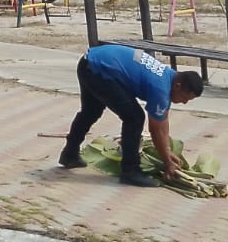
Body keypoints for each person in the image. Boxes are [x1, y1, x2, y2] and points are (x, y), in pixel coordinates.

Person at [58, 43, 204, 187]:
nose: (184, 102)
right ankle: (130, 171)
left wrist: (167, 151)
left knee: (91, 111)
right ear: (178, 86)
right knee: (134, 118)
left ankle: (69, 154)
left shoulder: (168, 77)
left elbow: (162, 119)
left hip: (89, 61)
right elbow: (155, 129)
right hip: (98, 69)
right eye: (185, 98)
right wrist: (167, 162)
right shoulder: (160, 89)